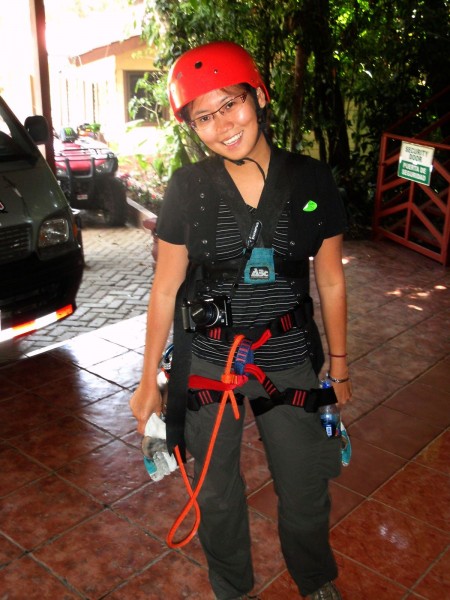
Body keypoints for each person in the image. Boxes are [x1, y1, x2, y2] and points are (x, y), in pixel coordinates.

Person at [130, 40, 352, 600]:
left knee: (304, 488)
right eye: (204, 117)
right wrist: (146, 382)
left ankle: (315, 578)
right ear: (193, 127)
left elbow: (329, 279)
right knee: (216, 493)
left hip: (288, 355)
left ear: (259, 96)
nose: (222, 125)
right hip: (208, 359)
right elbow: (165, 287)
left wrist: (341, 368)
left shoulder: (311, 179)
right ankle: (232, 587)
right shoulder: (187, 189)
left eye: (231, 104)